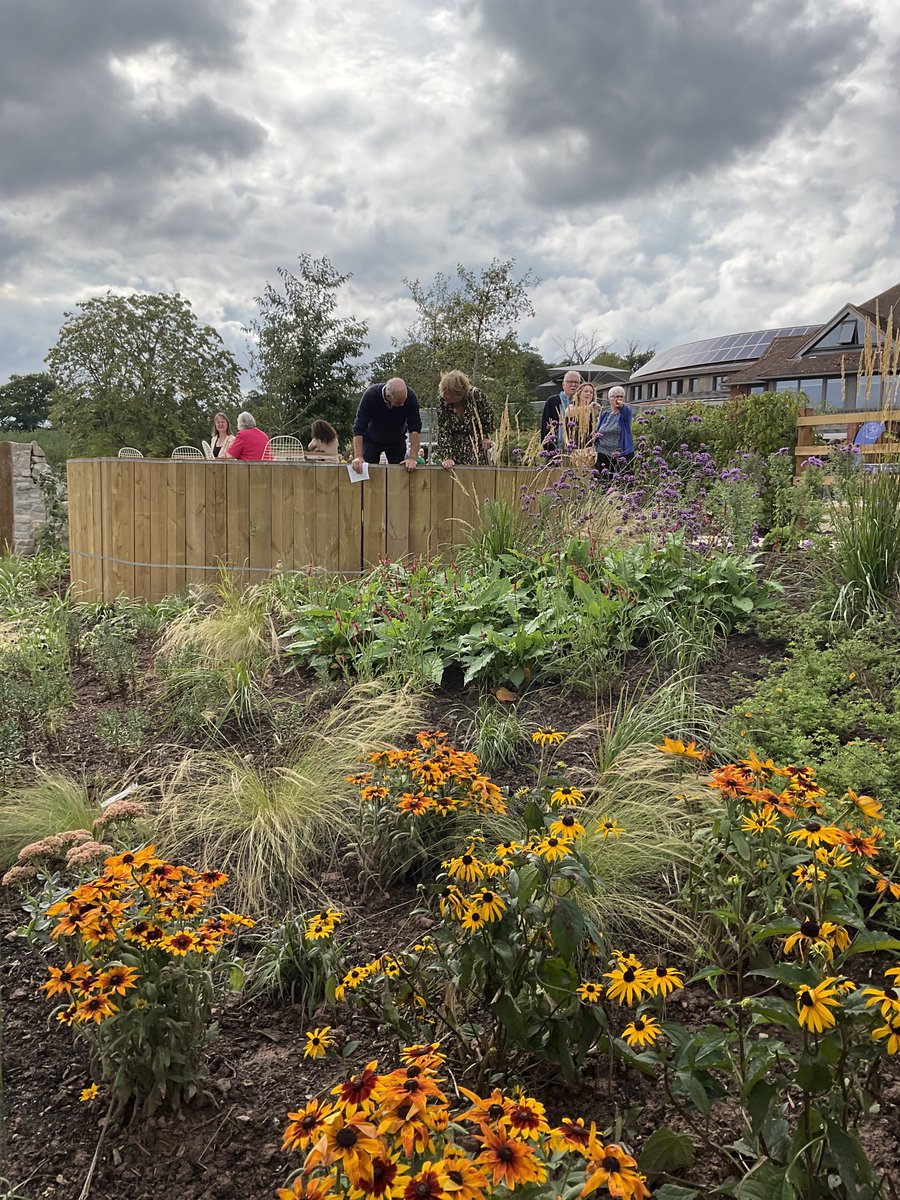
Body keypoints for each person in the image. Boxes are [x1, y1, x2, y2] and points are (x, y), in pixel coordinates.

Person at [351, 377, 421, 473]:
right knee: (366, 471)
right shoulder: (371, 395)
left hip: (397, 441)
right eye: (398, 402)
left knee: (401, 473)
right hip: (371, 440)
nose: (402, 405)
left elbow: (415, 428)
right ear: (388, 396)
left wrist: (412, 458)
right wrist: (358, 456)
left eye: (404, 400)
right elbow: (359, 427)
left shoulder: (411, 397)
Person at [435, 370, 495, 470]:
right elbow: (443, 430)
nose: (445, 397)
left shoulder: (476, 396)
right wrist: (447, 456)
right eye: (444, 394)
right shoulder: (442, 401)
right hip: (454, 449)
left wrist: (485, 436)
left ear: (460, 393)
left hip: (477, 446)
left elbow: (488, 417)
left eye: (449, 395)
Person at [594, 386, 634, 474]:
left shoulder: (625, 413)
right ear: (609, 400)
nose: (618, 399)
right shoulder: (605, 414)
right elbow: (598, 431)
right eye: (616, 397)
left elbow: (626, 411)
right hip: (602, 453)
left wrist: (621, 406)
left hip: (621, 454)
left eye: (621, 397)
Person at [540, 370, 581, 453]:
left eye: (576, 382)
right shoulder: (552, 401)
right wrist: (547, 447)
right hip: (555, 447)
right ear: (563, 385)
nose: (573, 384)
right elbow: (545, 425)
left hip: (577, 450)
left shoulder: (582, 403)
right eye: (570, 382)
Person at [567, 382, 600, 451]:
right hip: (573, 447)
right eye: (586, 391)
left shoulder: (593, 412)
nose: (588, 393)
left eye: (591, 392)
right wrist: (588, 407)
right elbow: (569, 413)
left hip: (588, 448)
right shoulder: (572, 406)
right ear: (579, 393)